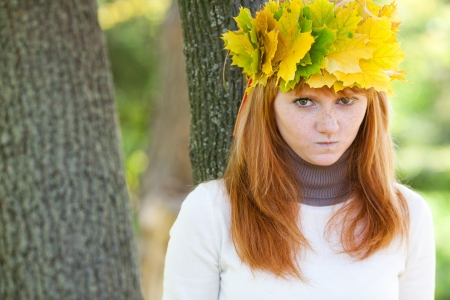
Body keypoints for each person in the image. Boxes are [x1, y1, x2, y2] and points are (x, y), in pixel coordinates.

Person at [162, 0, 436, 299]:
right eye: (304, 101)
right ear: (268, 108)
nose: (329, 125)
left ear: (371, 107)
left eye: (346, 101)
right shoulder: (212, 212)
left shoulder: (407, 216)